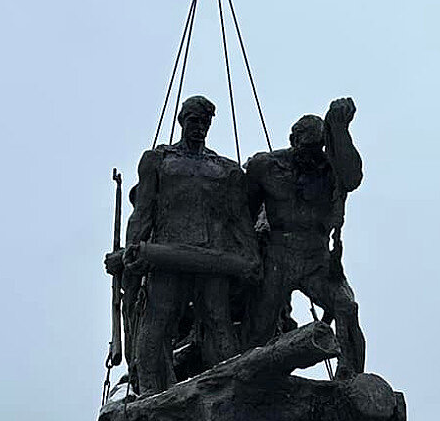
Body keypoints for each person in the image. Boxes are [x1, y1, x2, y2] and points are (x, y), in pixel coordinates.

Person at [109, 95, 258, 393]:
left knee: (219, 321)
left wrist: (250, 255)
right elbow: (143, 212)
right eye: (194, 121)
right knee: (158, 320)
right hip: (167, 257)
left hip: (212, 258)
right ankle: (150, 392)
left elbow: (238, 219)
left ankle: (234, 392)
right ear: (181, 120)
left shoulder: (225, 170)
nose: (199, 127)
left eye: (204, 122)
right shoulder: (159, 160)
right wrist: (132, 250)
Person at [244, 98, 366, 377]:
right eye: (305, 145)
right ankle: (247, 375)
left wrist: (339, 128)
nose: (310, 154)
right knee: (260, 324)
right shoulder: (266, 166)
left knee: (346, 306)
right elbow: (244, 214)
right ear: (292, 139)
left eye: (317, 146)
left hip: (317, 257)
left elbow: (353, 177)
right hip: (277, 254)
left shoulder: (333, 169)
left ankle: (350, 376)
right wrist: (248, 251)